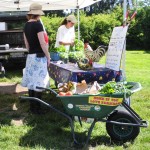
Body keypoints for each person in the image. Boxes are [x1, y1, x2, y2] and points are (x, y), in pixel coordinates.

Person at [21, 3, 51, 114]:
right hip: (39, 57)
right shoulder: (38, 25)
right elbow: (43, 44)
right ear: (38, 14)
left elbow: (27, 44)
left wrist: (31, 53)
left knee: (32, 82)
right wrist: (48, 57)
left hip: (31, 57)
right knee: (39, 82)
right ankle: (37, 109)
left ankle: (32, 107)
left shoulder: (26, 25)